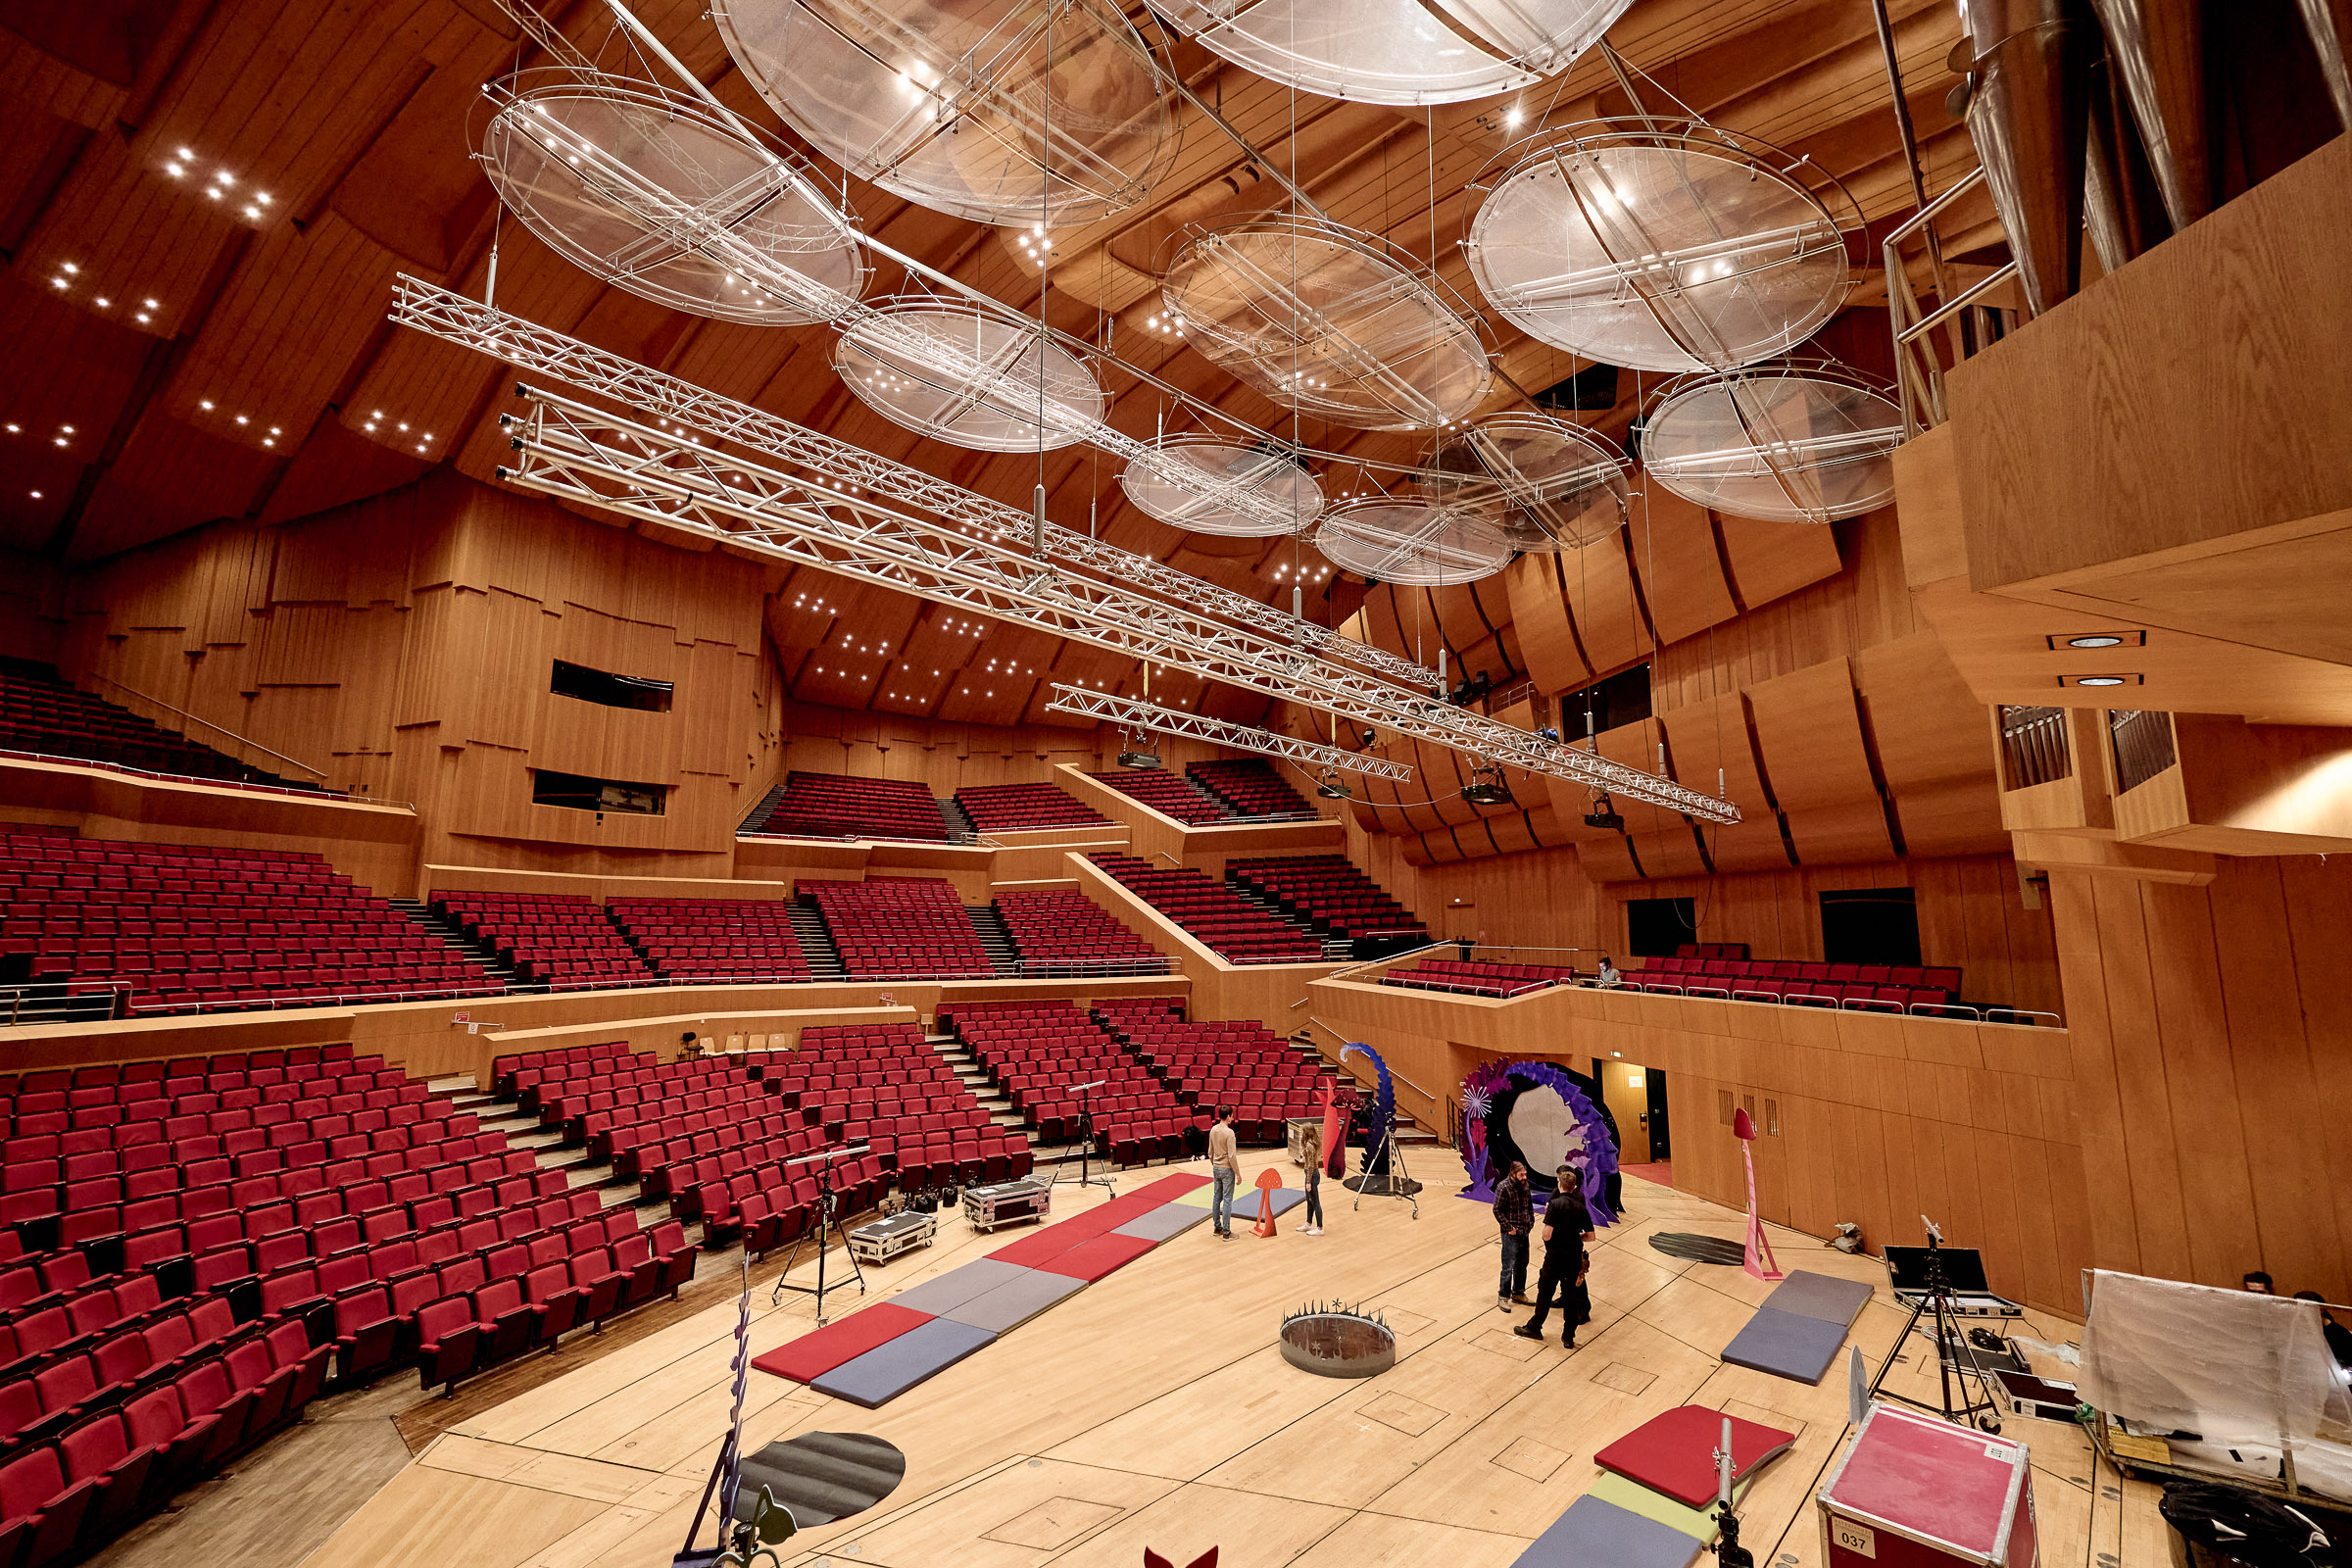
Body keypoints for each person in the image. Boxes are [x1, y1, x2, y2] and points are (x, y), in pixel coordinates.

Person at [1515, 1162, 1595, 1348]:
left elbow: (1547, 1233)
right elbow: (1591, 1236)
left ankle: (1535, 1327)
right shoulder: (1581, 1206)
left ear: (1559, 1183)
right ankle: (1568, 1337)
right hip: (1573, 1257)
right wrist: (1575, 1238)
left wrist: (1555, 1241)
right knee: (1571, 1296)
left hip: (1555, 1258)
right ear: (1574, 1186)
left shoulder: (1555, 1204)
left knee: (1545, 1293)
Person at [1492, 1159, 1533, 1310]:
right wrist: (1509, 1228)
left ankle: (1518, 1293)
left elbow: (1529, 1206)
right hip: (1511, 1234)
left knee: (1522, 1265)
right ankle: (1503, 1296)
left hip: (1524, 1231)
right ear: (1513, 1174)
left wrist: (1530, 1222)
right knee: (1508, 1266)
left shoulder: (1525, 1185)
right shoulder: (1503, 1187)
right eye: (1521, 1175)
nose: (1524, 1177)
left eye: (1525, 1174)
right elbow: (1497, 1210)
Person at [2292, 1292, 2352, 1369]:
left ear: (2321, 1310)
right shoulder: (2303, 1332)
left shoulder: (2339, 1333)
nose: (2299, 1315)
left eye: (2304, 1311)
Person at [1207, 1106, 1240, 1240]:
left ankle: (1217, 1228)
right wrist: (1237, 1173)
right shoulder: (1229, 1133)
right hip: (1227, 1169)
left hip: (1216, 1168)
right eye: (1232, 1116)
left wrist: (1215, 1164)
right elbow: (1231, 1156)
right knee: (1227, 1200)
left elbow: (1210, 1152)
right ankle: (1227, 1232)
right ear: (1228, 1116)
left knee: (1216, 1198)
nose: (1233, 1118)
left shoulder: (1213, 1130)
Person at [1300, 1127, 1325, 1236]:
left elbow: (1310, 1165)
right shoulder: (1310, 1143)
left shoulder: (1310, 1146)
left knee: (1315, 1202)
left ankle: (1320, 1228)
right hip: (1310, 1174)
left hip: (1312, 1175)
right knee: (1309, 1200)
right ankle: (1309, 1223)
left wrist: (1308, 1182)